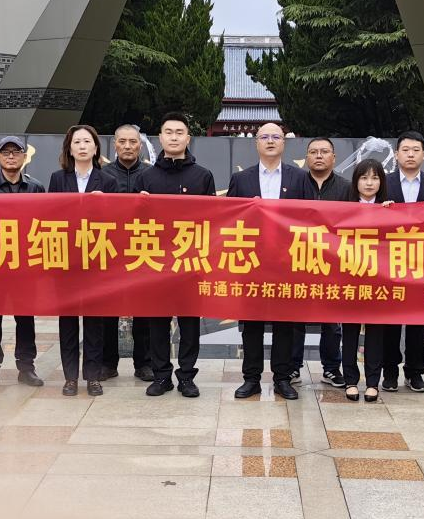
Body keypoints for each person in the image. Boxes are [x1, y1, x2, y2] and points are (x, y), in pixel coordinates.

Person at [134, 112, 216, 398]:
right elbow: (133, 224)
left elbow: (213, 220)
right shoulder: (146, 177)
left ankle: (187, 376)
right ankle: (161, 376)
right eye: (168, 132)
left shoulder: (202, 176)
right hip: (155, 261)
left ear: (188, 138)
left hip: (190, 261)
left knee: (189, 322)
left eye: (179, 132)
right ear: (160, 138)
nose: (173, 137)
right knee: (158, 322)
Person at [227, 123, 305, 400]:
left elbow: (310, 218)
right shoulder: (241, 179)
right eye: (264, 137)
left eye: (276, 137)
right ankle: (251, 379)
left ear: (284, 143)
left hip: (287, 261)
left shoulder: (299, 178)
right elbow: (229, 218)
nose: (270, 141)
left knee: (285, 324)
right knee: (252, 325)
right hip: (251, 261)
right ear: (256, 143)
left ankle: (283, 378)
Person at [48, 125, 119, 396]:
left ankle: (93, 376)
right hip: (65, 259)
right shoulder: (58, 179)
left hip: (95, 259)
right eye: (76, 141)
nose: (82, 146)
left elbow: (116, 223)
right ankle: (70, 377)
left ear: (96, 147)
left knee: (94, 322)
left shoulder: (108, 181)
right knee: (67, 321)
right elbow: (50, 216)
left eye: (87, 141)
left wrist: (103, 205)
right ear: (69, 148)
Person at [0, 136, 46, 390]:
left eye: (16, 152)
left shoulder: (36, 187)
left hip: (24, 265)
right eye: (6, 152)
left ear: (25, 156)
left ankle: (27, 367)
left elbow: (42, 224)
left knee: (25, 318)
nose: (11, 156)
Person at [293, 137, 350, 388]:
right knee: (295, 318)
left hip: (334, 262)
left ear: (333, 158)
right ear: (307, 157)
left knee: (332, 320)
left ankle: (331, 368)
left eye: (324, 152)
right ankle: (292, 367)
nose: (319, 156)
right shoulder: (293, 185)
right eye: (313, 152)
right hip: (298, 259)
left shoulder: (347, 188)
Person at [382, 131, 424, 393]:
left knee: (417, 321)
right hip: (389, 262)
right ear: (396, 154)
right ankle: (389, 371)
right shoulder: (383, 183)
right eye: (405, 150)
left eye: (415, 150)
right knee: (389, 321)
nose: (410, 154)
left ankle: (415, 372)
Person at [103, 124, 154, 382]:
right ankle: (107, 363)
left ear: (140, 145)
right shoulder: (102, 175)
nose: (127, 146)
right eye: (122, 141)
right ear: (114, 144)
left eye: (132, 142)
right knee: (107, 310)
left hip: (142, 249)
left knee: (144, 309)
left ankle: (144, 363)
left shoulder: (151, 174)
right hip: (109, 250)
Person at [342, 159, 392, 402]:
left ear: (381, 182)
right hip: (350, 277)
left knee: (375, 333)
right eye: (364, 178)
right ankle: (350, 380)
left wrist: (392, 213)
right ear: (356, 181)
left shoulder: (391, 208)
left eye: (374, 178)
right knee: (349, 332)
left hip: (378, 280)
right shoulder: (343, 208)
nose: (369, 183)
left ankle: (373, 382)